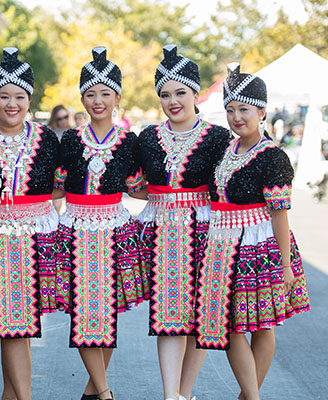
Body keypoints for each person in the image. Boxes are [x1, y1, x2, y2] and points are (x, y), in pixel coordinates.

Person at [200, 63, 310, 399]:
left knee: (262, 325)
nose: (236, 118)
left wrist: (286, 265)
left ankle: (248, 396)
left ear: (261, 112)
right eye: (230, 110)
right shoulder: (224, 150)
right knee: (231, 326)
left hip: (261, 248)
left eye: (244, 110)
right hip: (222, 246)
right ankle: (252, 396)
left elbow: (279, 213)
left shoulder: (273, 157)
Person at [0, 47, 60, 400]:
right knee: (14, 327)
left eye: (19, 96)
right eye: (4, 96)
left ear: (29, 99)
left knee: (17, 328)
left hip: (36, 239)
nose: (12, 103)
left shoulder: (47, 140)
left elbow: (60, 190)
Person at [136, 44, 231, 400]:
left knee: (202, 317)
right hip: (162, 232)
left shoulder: (219, 137)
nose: (172, 100)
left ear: (195, 93)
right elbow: (134, 183)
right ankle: (168, 395)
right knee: (170, 317)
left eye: (180, 92)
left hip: (207, 231)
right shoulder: (147, 137)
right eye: (164, 94)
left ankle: (184, 394)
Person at [54, 47, 148, 400]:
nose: (97, 101)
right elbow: (57, 189)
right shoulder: (71, 141)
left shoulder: (130, 142)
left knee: (108, 312)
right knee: (84, 311)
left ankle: (93, 392)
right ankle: (105, 392)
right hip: (76, 228)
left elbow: (137, 190)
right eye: (90, 94)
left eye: (105, 94)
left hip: (114, 228)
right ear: (82, 97)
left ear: (117, 98)